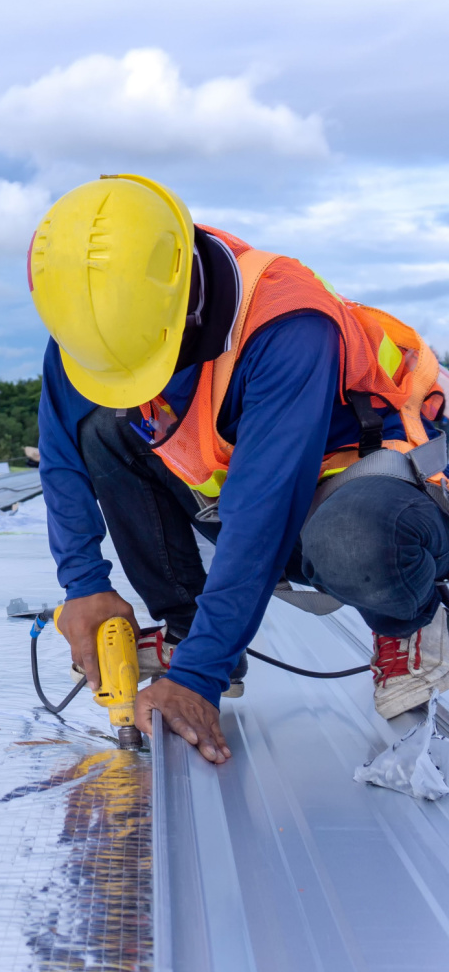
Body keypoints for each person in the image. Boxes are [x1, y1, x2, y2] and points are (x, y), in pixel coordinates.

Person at [30, 174, 449, 765]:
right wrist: (84, 586)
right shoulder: (92, 322)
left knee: (354, 541)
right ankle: (188, 627)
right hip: (271, 494)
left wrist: (197, 678)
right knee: (107, 431)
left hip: (387, 492)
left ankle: (412, 624)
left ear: (182, 295)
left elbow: (262, 519)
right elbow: (65, 453)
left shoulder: (287, 324)